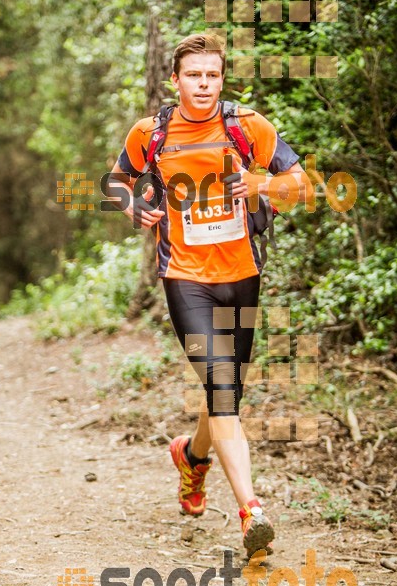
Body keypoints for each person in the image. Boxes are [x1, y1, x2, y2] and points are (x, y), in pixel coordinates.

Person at [108, 33, 313, 557]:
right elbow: (114, 183)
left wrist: (260, 185)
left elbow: (303, 185)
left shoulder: (247, 126)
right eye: (194, 75)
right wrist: (132, 206)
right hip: (185, 278)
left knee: (225, 394)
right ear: (175, 80)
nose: (203, 84)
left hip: (243, 275)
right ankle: (251, 511)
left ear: (222, 79)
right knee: (222, 389)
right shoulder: (150, 133)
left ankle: (192, 458)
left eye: (212, 75)